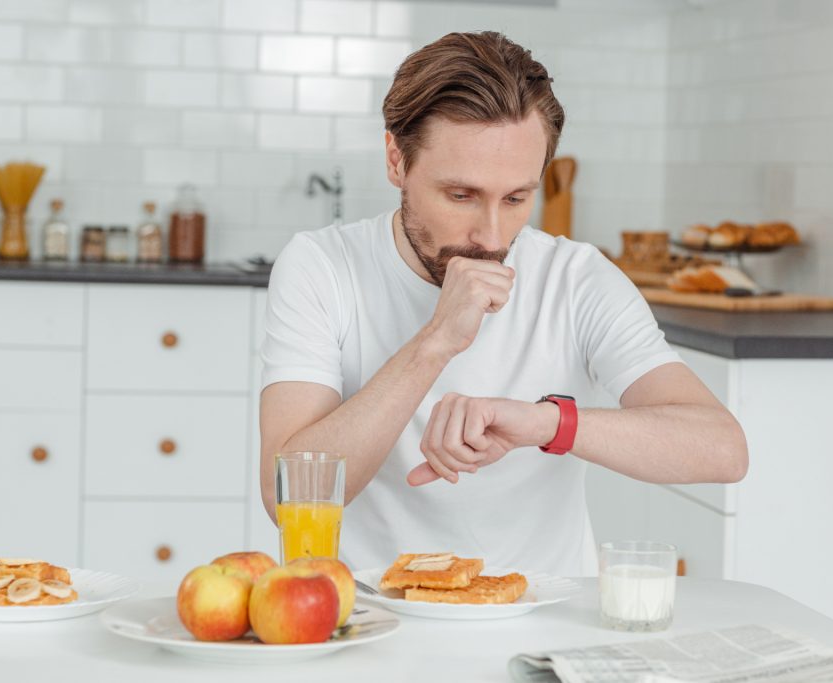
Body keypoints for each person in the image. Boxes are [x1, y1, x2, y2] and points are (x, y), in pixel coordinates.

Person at [259, 31, 747, 575]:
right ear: (396, 160)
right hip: (369, 615)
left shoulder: (576, 277)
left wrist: (544, 424)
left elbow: (722, 449)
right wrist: (436, 343)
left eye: (516, 198)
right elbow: (286, 498)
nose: (491, 236)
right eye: (461, 196)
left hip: (544, 622)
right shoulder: (322, 266)